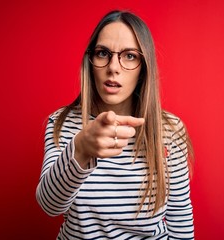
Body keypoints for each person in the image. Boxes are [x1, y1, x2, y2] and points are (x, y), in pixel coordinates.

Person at [36, 10, 194, 239]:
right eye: (103, 53)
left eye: (129, 56)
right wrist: (80, 150)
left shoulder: (170, 131)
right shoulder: (62, 122)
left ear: (143, 67)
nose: (113, 67)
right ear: (90, 62)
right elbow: (49, 206)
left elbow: (180, 217)